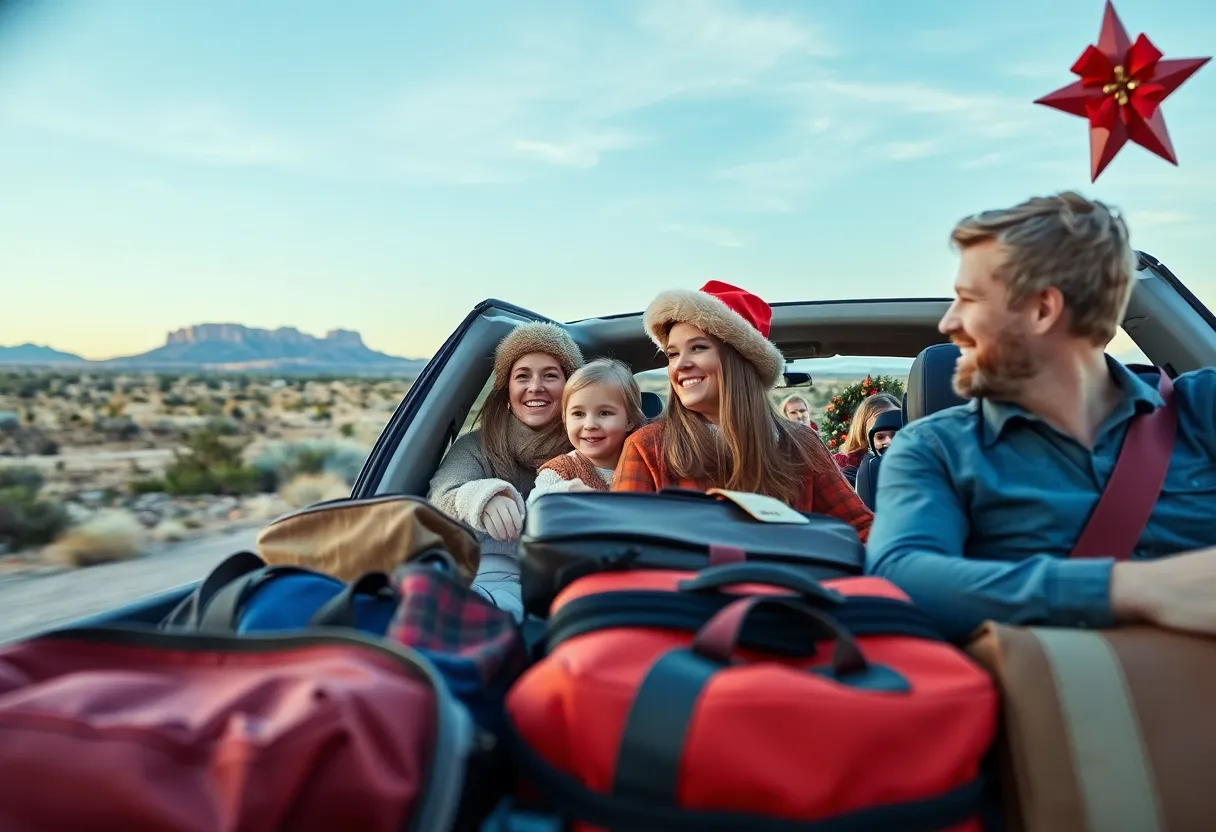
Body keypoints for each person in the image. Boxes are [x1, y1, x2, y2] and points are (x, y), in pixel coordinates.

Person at [866, 191, 1216, 641]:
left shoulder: (1201, 407)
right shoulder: (936, 448)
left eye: (968, 299)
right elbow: (902, 576)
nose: (948, 322)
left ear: (1042, 309)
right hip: (1077, 702)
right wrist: (1134, 588)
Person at [612, 280, 873, 543]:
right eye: (672, 353)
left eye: (698, 348)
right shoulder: (647, 447)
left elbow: (862, 530)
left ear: (742, 359)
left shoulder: (802, 444)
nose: (681, 364)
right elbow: (620, 547)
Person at [428, 321, 584, 617]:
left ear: (570, 386)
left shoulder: (593, 440)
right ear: (507, 389)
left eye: (550, 375)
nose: (534, 387)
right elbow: (440, 498)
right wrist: (479, 497)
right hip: (494, 582)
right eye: (522, 376)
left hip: (575, 581)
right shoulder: (477, 445)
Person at [528, 358, 647, 503]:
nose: (590, 425)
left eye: (604, 413)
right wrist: (564, 491)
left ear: (629, 420)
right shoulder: (560, 472)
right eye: (578, 414)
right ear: (566, 421)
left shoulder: (645, 466)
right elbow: (534, 505)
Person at [832, 393, 901, 486]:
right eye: (880, 437)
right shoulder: (842, 467)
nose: (889, 442)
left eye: (896, 434)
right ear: (864, 433)